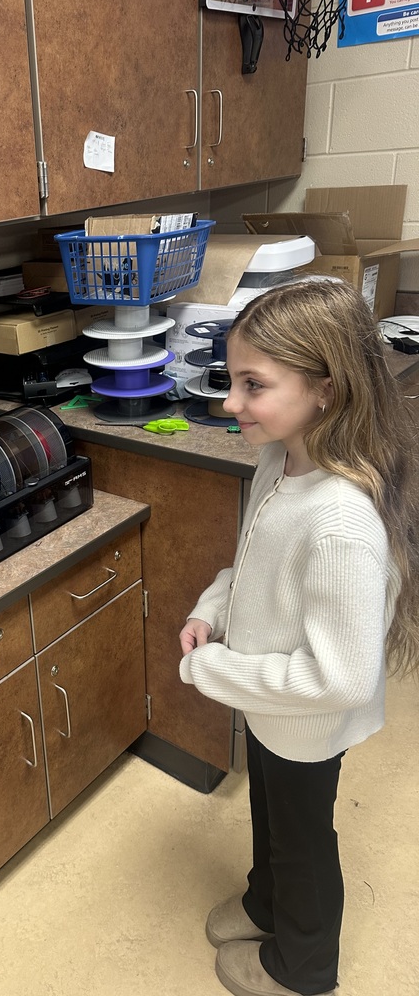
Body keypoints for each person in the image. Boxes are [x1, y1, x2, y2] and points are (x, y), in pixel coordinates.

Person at [178, 278, 419, 996]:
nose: (229, 403)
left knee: (303, 840)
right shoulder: (280, 461)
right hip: (271, 705)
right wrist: (213, 610)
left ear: (325, 389)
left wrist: (213, 671)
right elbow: (252, 563)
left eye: (254, 385)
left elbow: (340, 677)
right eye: (232, 379)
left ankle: (302, 967)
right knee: (270, 814)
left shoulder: (341, 521)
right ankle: (264, 903)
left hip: (307, 722)